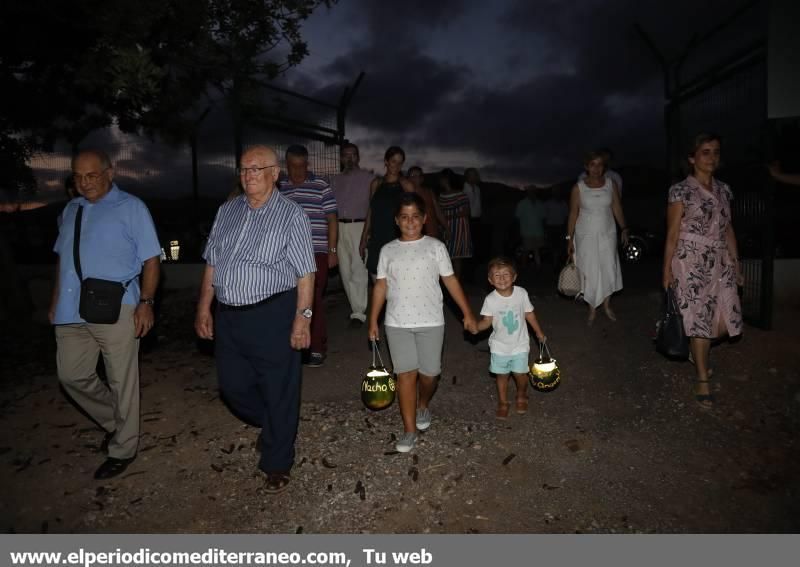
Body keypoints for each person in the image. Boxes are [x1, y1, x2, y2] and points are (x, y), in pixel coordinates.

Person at [195, 145, 316, 494]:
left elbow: (305, 273)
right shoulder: (227, 210)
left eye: (256, 169)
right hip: (230, 314)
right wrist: (204, 307)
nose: (248, 175)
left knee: (280, 388)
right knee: (232, 387)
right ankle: (278, 423)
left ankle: (278, 461)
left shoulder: (292, 215)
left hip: (273, 312)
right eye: (244, 169)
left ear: (274, 174)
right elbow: (212, 263)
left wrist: (302, 318)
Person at [51, 149, 161, 480]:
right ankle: (117, 421)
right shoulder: (71, 210)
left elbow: (152, 260)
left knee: (120, 379)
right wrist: (55, 299)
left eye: (92, 175)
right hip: (71, 308)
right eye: (79, 177)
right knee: (71, 375)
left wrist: (147, 302)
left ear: (110, 173)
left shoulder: (132, 208)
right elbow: (63, 259)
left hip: (118, 305)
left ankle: (124, 447)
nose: (85, 183)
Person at [368, 192, 477, 453]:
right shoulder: (388, 250)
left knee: (430, 374)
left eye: (415, 216)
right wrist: (373, 319)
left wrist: (467, 313)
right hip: (397, 323)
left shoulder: (435, 247)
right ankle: (409, 430)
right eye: (404, 217)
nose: (410, 222)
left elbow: (450, 280)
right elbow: (381, 286)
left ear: (425, 218)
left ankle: (423, 404)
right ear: (397, 220)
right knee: (405, 374)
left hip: (431, 320)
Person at [662, 133, 743, 408]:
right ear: (692, 158)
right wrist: (666, 270)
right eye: (705, 152)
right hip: (691, 262)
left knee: (723, 322)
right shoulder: (680, 190)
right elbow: (672, 234)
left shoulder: (724, 190)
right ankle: (702, 380)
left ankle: (696, 353)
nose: (712, 157)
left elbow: (728, 227)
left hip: (721, 261)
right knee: (700, 323)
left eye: (716, 152)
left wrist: (736, 260)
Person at [278, 144, 338, 367]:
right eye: (293, 167)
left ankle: (316, 348)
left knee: (312, 300)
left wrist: (332, 251)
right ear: (287, 165)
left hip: (316, 252)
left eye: (301, 166)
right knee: (288, 300)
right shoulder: (280, 187)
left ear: (307, 164)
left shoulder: (320, 185)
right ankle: (294, 344)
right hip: (286, 255)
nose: (297, 171)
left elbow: (332, 219)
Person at [475, 257, 546, 419]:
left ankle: (521, 395)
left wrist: (538, 332)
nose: (502, 278)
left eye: (506, 274)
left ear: (514, 277)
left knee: (520, 374)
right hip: (499, 346)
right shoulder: (490, 299)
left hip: (519, 343)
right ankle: (503, 402)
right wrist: (476, 328)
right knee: (502, 376)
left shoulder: (521, 294)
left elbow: (529, 313)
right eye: (497, 275)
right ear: (490, 280)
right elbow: (486, 321)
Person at [567, 150, 628, 325]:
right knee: (589, 270)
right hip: (585, 235)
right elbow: (572, 214)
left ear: (604, 167)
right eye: (592, 164)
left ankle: (607, 305)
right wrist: (569, 239)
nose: (596, 168)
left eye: (600, 164)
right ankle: (592, 308)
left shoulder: (611, 184)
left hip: (607, 233)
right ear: (586, 166)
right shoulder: (578, 187)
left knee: (608, 267)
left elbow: (616, 207)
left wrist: (624, 227)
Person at [330, 143, 374, 327]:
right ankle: (356, 307)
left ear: (358, 157)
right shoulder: (334, 180)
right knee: (345, 270)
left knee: (358, 268)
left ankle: (358, 312)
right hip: (339, 226)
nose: (349, 158)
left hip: (359, 225)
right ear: (340, 158)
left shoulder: (369, 178)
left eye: (353, 155)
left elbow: (373, 207)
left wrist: (368, 232)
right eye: (345, 155)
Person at [360, 146, 412, 278]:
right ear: (386, 161)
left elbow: (415, 214)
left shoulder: (406, 185)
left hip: (397, 237)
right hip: (377, 238)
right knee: (376, 278)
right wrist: (363, 238)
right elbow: (371, 212)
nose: (397, 165)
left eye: (400, 162)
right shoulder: (376, 184)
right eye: (394, 161)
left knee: (397, 280)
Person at [438, 170, 473, 278]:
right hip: (445, 227)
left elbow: (466, 212)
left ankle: (457, 280)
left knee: (456, 256)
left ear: (447, 180)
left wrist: (448, 217)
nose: (440, 181)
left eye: (442, 178)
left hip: (459, 228)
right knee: (445, 255)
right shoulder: (441, 195)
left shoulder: (460, 194)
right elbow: (439, 212)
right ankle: (447, 280)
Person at [407, 165, 447, 240]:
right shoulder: (406, 194)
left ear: (422, 178)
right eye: (413, 175)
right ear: (408, 178)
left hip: (432, 231)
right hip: (414, 233)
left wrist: (446, 227)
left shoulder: (429, 192)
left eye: (419, 175)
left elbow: (438, 211)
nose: (417, 178)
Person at [514, 186, 546, 270]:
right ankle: (523, 268)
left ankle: (538, 267)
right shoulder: (522, 204)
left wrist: (544, 230)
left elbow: (543, 218)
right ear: (527, 193)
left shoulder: (540, 203)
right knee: (526, 250)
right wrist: (518, 232)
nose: (532, 193)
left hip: (539, 231)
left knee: (538, 250)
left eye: (534, 191)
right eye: (530, 191)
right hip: (526, 232)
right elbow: (517, 218)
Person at [543, 186, 569, 270]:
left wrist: (566, 229)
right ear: (552, 193)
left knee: (562, 245)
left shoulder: (564, 203)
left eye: (558, 192)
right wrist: (545, 229)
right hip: (551, 228)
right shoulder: (547, 203)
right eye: (555, 192)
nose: (557, 194)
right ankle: (554, 264)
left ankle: (558, 263)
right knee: (552, 246)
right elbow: (544, 217)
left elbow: (566, 217)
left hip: (561, 228)